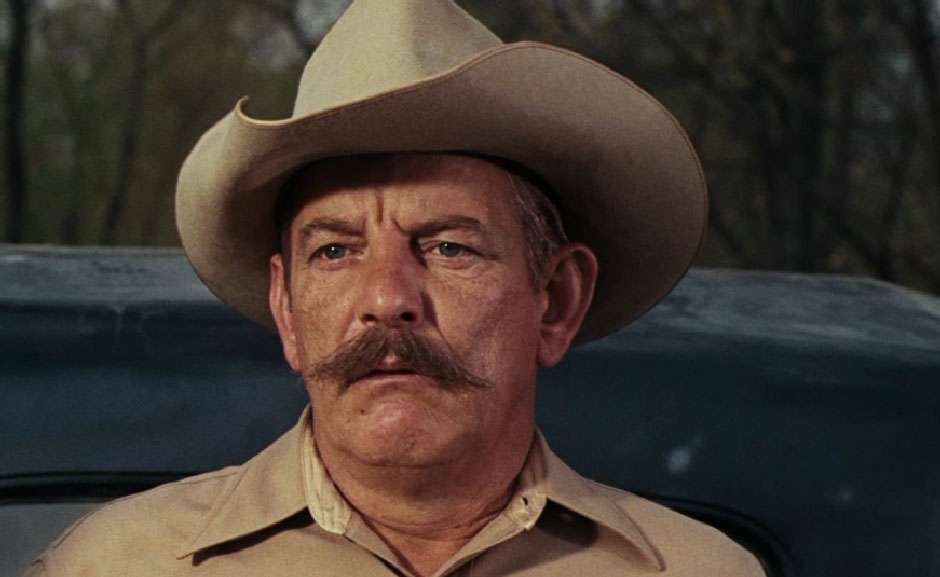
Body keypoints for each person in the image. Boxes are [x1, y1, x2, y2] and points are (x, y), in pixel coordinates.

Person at [25, 1, 765, 576]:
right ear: (287, 309)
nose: (386, 297)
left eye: (447, 246)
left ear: (557, 300)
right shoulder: (116, 564)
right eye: (335, 250)